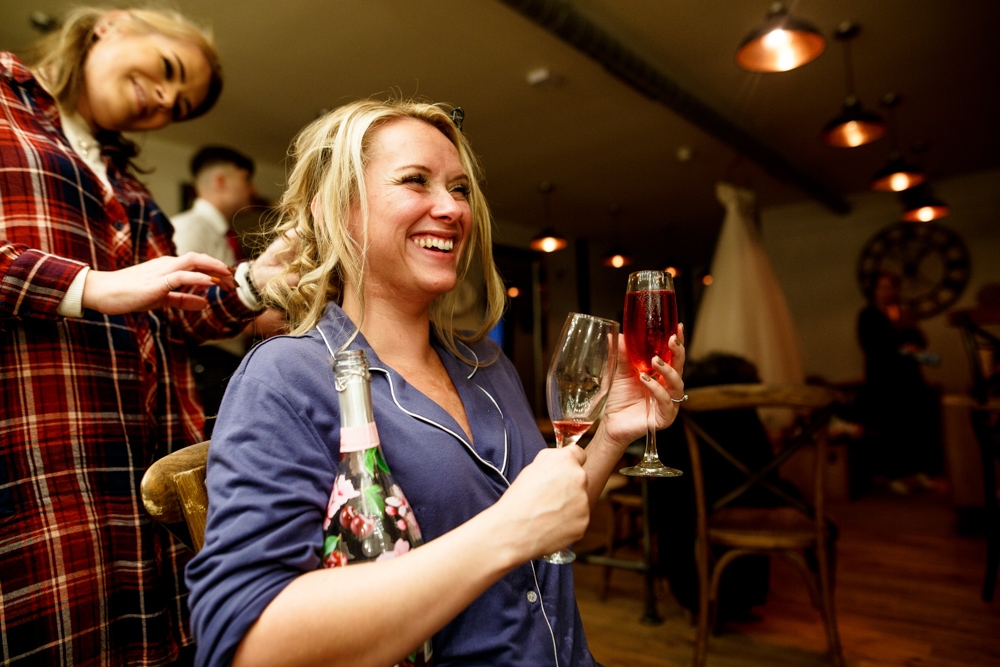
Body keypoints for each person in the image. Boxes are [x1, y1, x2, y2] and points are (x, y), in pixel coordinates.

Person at [186, 99, 687, 667]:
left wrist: (613, 437)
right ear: (333, 211)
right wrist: (507, 531)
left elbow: (545, 522)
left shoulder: (485, 365)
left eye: (460, 189)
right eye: (415, 181)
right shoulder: (288, 377)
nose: (451, 208)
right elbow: (246, 644)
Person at [0, 7, 290, 665]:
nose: (162, 100)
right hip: (37, 456)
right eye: (166, 71)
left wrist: (252, 283)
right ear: (110, 25)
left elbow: (176, 313)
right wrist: (92, 287)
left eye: (177, 107)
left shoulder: (126, 185)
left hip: (132, 472)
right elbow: (114, 292)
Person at [171, 145, 258, 430]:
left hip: (219, 361)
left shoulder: (218, 234)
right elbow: (178, 305)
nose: (252, 189)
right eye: (245, 179)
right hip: (205, 364)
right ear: (221, 180)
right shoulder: (190, 228)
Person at [856, 272, 941, 495]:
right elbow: (874, 346)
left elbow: (920, 341)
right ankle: (894, 476)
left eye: (891, 287)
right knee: (892, 430)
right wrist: (902, 343)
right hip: (885, 382)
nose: (888, 292)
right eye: (882, 287)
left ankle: (920, 473)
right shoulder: (868, 315)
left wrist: (906, 333)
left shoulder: (901, 312)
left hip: (910, 380)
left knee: (916, 427)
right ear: (874, 290)